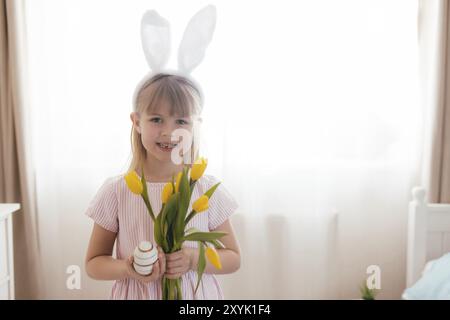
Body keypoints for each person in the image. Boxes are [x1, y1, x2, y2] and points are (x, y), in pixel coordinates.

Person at [85, 5, 240, 299]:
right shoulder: (117, 192)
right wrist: (127, 268)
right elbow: (93, 263)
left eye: (181, 121)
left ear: (195, 126)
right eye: (156, 119)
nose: (168, 132)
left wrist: (194, 258)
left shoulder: (206, 190)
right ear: (137, 122)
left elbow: (233, 257)